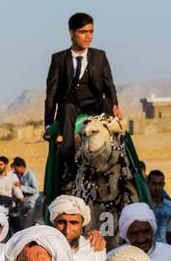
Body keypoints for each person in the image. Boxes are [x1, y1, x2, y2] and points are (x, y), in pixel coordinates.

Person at [43, 12, 120, 184]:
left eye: (91, 31)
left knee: (106, 102)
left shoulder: (100, 56)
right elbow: (51, 94)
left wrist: (114, 105)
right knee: (68, 108)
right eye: (83, 32)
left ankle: (114, 158)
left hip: (94, 104)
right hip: (70, 106)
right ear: (71, 33)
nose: (88, 36)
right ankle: (69, 165)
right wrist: (48, 124)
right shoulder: (59, 59)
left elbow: (109, 85)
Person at [147, 169, 171, 249]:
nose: (157, 187)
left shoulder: (169, 206)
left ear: (163, 184)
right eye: (154, 184)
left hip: (163, 247)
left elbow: (169, 229)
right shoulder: (144, 206)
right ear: (148, 184)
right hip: (146, 249)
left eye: (160, 184)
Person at [9, 157, 40, 231]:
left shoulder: (30, 174)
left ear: (22, 167)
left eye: (16, 168)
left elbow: (36, 190)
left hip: (32, 203)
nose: (15, 170)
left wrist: (21, 187)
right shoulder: (18, 174)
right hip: (24, 203)